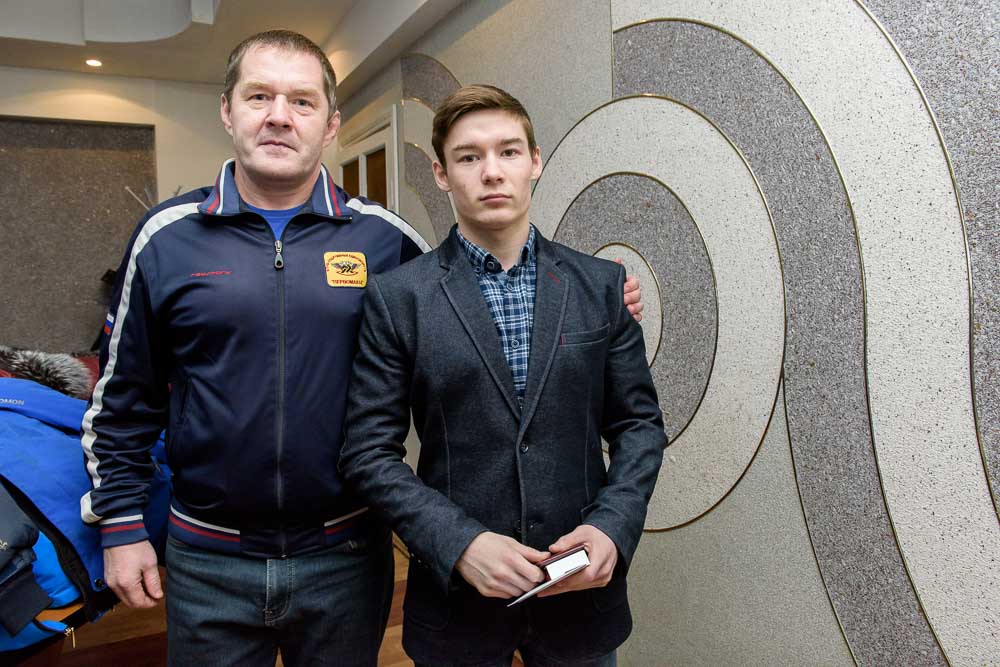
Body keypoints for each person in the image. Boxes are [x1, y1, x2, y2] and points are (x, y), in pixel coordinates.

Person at [78, 32, 644, 666]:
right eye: (259, 96)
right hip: (209, 556)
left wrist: (601, 301)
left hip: (344, 556)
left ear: (330, 125)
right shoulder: (166, 238)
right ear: (227, 111)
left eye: (301, 101)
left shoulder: (385, 240)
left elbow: (471, 292)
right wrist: (120, 523)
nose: (279, 116)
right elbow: (122, 398)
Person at [340, 85, 666, 667]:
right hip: (458, 606)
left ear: (534, 161)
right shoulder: (399, 298)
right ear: (441, 174)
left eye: (509, 152)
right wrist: (459, 543)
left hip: (579, 599)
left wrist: (613, 527)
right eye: (469, 157)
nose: (491, 172)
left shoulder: (602, 286)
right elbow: (368, 452)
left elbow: (639, 426)